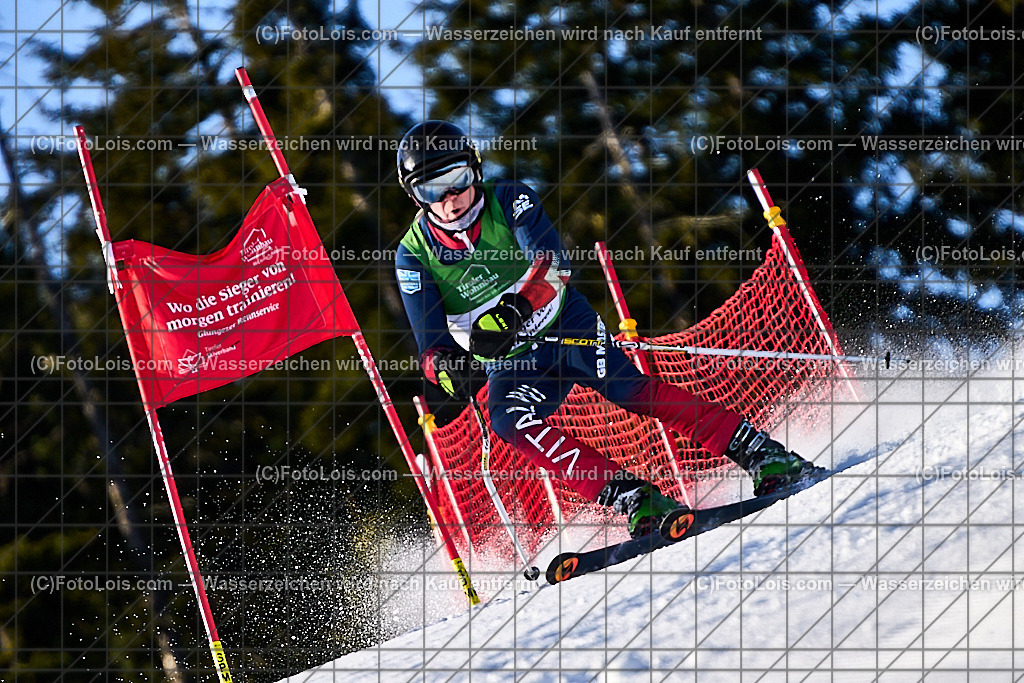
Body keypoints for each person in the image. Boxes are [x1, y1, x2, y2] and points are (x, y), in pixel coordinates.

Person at [394, 121, 823, 538]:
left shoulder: (509, 198)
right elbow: (430, 348)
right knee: (510, 423)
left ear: (476, 168)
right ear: (415, 196)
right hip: (513, 361)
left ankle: (763, 453)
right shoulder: (413, 255)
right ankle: (635, 498)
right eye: (432, 189)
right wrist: (450, 371)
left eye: (458, 178)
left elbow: (554, 265)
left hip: (565, 326)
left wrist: (515, 311)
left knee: (628, 390)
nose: (451, 198)